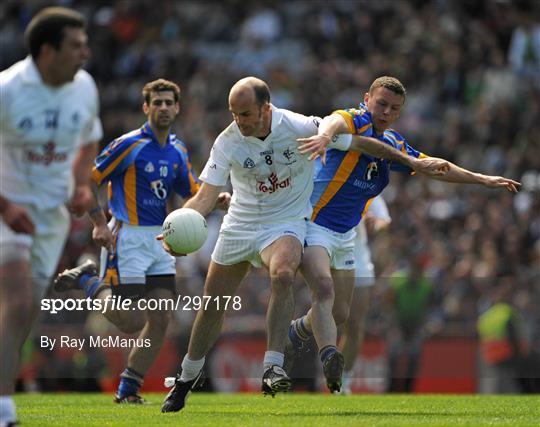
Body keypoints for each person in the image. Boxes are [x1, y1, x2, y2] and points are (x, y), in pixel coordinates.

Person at [160, 76, 447, 413]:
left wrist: (408, 160)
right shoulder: (227, 141)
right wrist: (175, 226)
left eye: (246, 114)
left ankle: (273, 366)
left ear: (266, 108)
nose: (239, 121)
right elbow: (205, 197)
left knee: (283, 274)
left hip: (286, 222)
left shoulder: (298, 126)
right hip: (240, 223)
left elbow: (358, 143)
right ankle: (186, 377)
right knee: (212, 304)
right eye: (234, 114)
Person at [285, 76, 521, 392]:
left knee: (340, 312)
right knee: (324, 293)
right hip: (313, 224)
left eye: (393, 108)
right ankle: (330, 360)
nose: (385, 111)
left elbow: (435, 166)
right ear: (366, 98)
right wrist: (324, 138)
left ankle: (300, 328)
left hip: (345, 236)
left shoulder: (395, 144)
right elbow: (332, 123)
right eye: (381, 103)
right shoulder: (352, 121)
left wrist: (482, 179)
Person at [52, 79, 225, 404]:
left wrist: (218, 199)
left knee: (161, 317)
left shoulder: (177, 149)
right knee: (131, 321)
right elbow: (88, 180)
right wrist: (99, 224)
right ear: (146, 107)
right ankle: (89, 278)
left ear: (177, 107)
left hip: (162, 239)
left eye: (167, 103)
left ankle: (128, 390)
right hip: (126, 237)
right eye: (156, 102)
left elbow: (191, 192)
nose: (162, 108)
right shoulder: (128, 145)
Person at [0, 7, 101, 425]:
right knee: (18, 299)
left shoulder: (85, 87)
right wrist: (6, 207)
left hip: (51, 217)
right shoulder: (7, 89)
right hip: (7, 208)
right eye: (76, 46)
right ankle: (4, 409)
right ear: (47, 50)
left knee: (21, 315)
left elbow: (89, 140)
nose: (85, 53)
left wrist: (80, 184)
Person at [340, 195, 391, 394]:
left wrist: (376, 225)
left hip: (358, 262)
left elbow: (383, 220)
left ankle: (343, 380)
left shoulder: (368, 187)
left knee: (353, 325)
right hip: (326, 258)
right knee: (326, 317)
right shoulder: (322, 176)